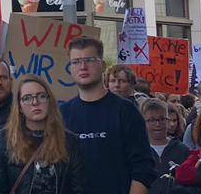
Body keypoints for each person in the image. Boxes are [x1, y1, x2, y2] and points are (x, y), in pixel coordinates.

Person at [57, 38, 151, 194]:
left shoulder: (126, 111)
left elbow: (142, 168)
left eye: (89, 60)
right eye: (76, 61)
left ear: (103, 65)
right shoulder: (62, 114)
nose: (83, 67)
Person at [0, 75, 81, 194]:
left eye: (41, 96)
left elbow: (78, 187)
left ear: (50, 100)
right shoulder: (4, 139)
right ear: (20, 106)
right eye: (27, 98)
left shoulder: (69, 141)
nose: (35, 102)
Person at [138, 100, 186, 183]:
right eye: (152, 120)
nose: (157, 124)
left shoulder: (182, 150)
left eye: (162, 119)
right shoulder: (137, 151)